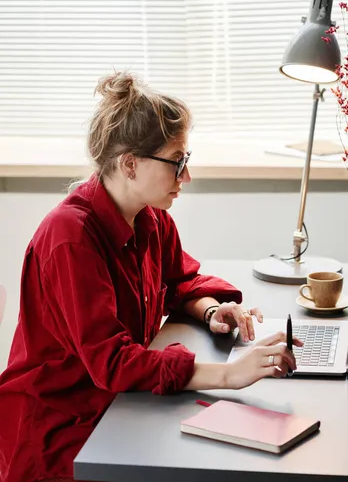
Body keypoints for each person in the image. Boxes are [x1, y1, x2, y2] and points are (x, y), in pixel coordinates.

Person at [0, 72, 300, 482]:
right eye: (177, 162)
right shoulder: (69, 238)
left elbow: (178, 283)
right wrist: (230, 375)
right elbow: (114, 362)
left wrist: (212, 310)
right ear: (130, 164)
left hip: (120, 405)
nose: (186, 176)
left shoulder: (151, 218)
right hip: (63, 427)